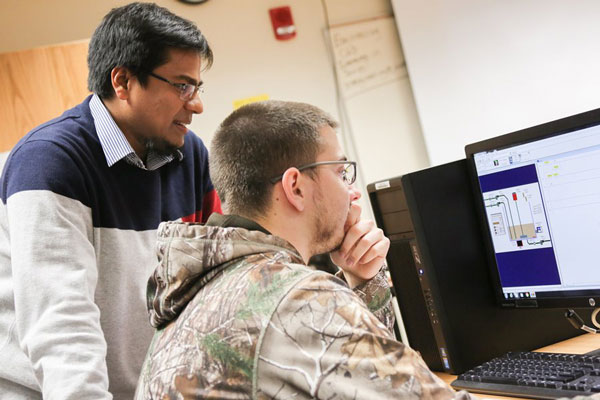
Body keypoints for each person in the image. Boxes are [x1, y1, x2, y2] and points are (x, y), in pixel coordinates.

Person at [135, 100, 472, 399]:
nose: (352, 193)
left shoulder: (198, 291)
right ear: (295, 186)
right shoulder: (295, 298)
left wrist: (362, 281)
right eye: (341, 172)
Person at [0, 3, 221, 398]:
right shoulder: (48, 161)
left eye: (197, 88)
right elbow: (61, 327)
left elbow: (215, 280)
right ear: (122, 81)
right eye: (182, 86)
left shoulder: (190, 155)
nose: (197, 104)